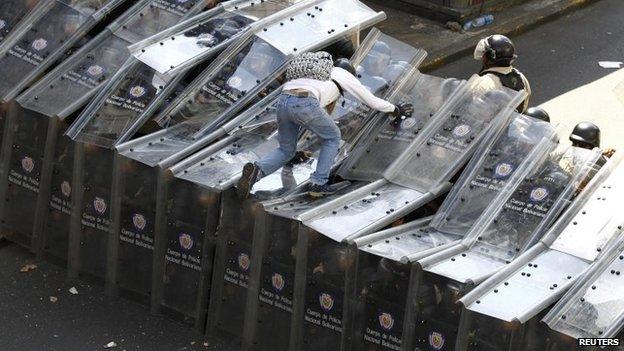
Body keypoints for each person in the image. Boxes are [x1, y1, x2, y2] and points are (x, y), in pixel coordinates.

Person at [237, 51, 413, 198]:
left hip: (283, 101)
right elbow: (371, 100)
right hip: (305, 101)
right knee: (333, 136)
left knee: (286, 150)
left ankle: (256, 173)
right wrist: (395, 110)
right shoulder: (343, 74)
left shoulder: (315, 74)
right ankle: (318, 183)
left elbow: (304, 114)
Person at [473, 34, 531, 113]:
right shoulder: (521, 78)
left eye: (484, 53)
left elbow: (473, 112)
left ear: (488, 57)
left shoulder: (483, 82)